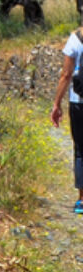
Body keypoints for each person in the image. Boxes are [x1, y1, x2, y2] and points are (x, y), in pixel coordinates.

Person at [51, 25, 83, 212]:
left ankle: (82, 199)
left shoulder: (76, 39)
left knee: (81, 150)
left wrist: (56, 104)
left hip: (79, 102)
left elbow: (66, 74)